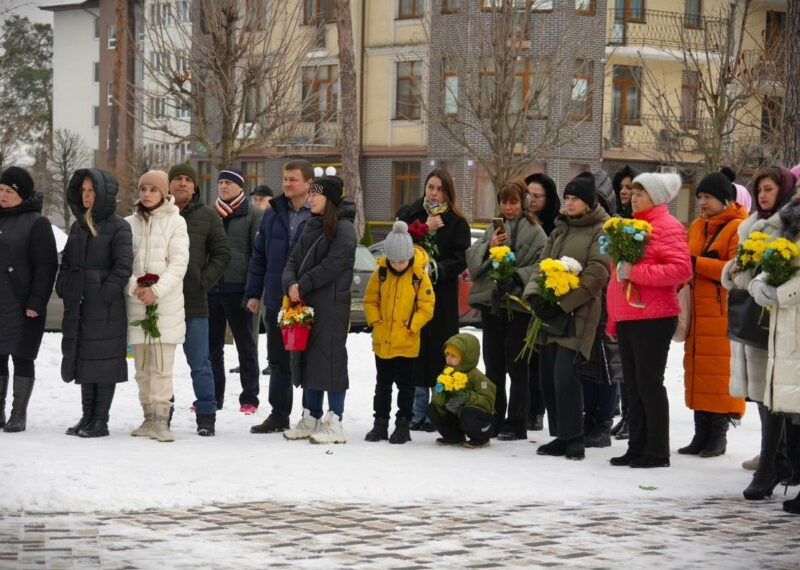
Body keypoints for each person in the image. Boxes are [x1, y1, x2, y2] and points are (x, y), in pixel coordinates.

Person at [607, 171, 692, 468]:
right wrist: (613, 320)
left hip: (654, 316)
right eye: (632, 191)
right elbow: (617, 279)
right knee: (632, 387)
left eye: (639, 193)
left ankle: (657, 450)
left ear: (654, 198)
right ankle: (637, 445)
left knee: (649, 384)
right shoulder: (632, 227)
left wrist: (637, 273)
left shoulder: (667, 226)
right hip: (630, 316)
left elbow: (681, 270)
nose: (632, 197)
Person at [721, 166, 797, 499]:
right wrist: (733, 270)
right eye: (760, 189)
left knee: (775, 400)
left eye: (769, 189)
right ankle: (775, 459)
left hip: (777, 324)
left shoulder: (789, 225)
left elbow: (783, 268)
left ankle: (771, 466)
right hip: (752, 318)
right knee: (762, 398)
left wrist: (769, 284)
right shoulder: (752, 224)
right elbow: (744, 269)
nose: (763, 195)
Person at [524, 173, 610, 460]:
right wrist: (535, 296)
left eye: (575, 199)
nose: (569, 203)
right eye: (568, 198)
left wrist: (563, 305)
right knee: (548, 375)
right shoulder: (560, 228)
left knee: (566, 375)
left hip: (579, 314)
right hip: (551, 312)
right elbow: (541, 264)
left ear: (589, 202)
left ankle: (574, 437)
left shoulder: (601, 230)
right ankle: (561, 434)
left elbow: (596, 274)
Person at [465, 177, 547, 440]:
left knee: (518, 366)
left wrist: (518, 275)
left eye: (513, 202)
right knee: (493, 365)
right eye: (504, 201)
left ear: (523, 203)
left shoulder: (536, 232)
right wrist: (490, 250)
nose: (508, 207)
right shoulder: (492, 229)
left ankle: (517, 421)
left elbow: (542, 265)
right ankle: (495, 416)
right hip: (493, 305)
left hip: (519, 307)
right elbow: (475, 264)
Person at [280, 176, 357, 444]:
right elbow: (292, 258)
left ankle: (335, 419)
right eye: (310, 193)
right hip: (307, 304)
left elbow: (333, 265)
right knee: (309, 359)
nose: (310, 198)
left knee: (332, 359)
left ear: (330, 199)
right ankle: (311, 415)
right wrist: (290, 282)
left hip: (332, 307)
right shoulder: (311, 225)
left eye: (316, 194)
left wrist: (303, 283)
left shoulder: (344, 229)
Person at [58, 168, 133, 438]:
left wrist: (103, 294)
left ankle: (100, 420)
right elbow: (67, 262)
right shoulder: (78, 226)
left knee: (103, 363)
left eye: (92, 190)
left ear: (103, 194)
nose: (86, 195)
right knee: (84, 360)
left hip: (106, 309)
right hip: (80, 306)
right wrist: (64, 286)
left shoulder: (119, 227)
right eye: (83, 190)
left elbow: (122, 267)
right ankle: (87, 417)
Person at [396, 168, 470, 433]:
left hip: (442, 296)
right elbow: (399, 243)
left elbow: (462, 256)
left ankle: (437, 410)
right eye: (430, 187)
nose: (434, 192)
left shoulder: (457, 221)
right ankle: (416, 411)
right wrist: (426, 226)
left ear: (447, 191)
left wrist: (438, 268)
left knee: (440, 351)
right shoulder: (411, 213)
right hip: (412, 295)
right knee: (416, 350)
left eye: (439, 188)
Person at [679, 172, 747, 458]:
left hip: (721, 312)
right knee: (696, 369)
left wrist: (698, 264)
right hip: (697, 309)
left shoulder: (738, 227)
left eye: (707, 197)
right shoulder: (696, 226)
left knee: (719, 374)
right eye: (700, 198)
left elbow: (734, 270)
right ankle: (700, 432)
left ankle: (718, 434)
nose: (702, 202)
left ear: (724, 199)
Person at [247, 160, 313, 434]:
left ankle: (311, 414)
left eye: (293, 180)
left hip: (308, 299)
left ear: (308, 183)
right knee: (277, 359)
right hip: (275, 298)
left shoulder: (319, 212)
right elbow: (259, 255)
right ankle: (278, 414)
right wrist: (253, 292)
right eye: (285, 179)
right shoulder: (273, 213)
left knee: (310, 361)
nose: (286, 184)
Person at [126, 170, 190, 443]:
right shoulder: (128, 223)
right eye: (143, 189)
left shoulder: (176, 223)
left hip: (165, 306)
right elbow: (121, 262)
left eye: (153, 189)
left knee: (161, 366)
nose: (147, 194)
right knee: (142, 369)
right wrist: (135, 287)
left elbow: (178, 264)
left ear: (164, 193)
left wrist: (156, 291)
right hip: (137, 304)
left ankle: (162, 419)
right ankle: (148, 417)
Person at [168, 163, 231, 436]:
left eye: (187, 180)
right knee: (161, 364)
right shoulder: (158, 214)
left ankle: (206, 415)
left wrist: (202, 282)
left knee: (200, 363)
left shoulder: (208, 216)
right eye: (177, 179)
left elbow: (222, 254)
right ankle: (161, 412)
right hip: (161, 302)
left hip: (194, 302)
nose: (182, 184)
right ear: (169, 185)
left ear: (194, 187)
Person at [363, 221, 435, 444]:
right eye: (393, 260)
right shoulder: (381, 273)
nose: (397, 265)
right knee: (382, 385)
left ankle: (403, 424)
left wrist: (411, 326)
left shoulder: (419, 277)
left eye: (402, 261)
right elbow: (370, 299)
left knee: (406, 387)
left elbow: (427, 306)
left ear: (410, 257)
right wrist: (376, 321)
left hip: (407, 342)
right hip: (383, 340)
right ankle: (380, 423)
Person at [751, 193, 800, 514]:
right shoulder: (787, 225)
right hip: (784, 330)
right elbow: (772, 263)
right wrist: (760, 285)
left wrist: (782, 292)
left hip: (792, 317)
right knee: (792, 410)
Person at [0, 167, 58, 432]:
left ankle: (18, 414)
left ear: (21, 195)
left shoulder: (37, 223)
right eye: (0, 189)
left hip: (24, 305)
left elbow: (46, 267)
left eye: (8, 191)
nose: (2, 194)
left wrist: (36, 304)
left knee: (23, 357)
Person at [208, 167, 263, 414]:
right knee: (211, 348)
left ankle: (249, 397)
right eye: (221, 182)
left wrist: (253, 291)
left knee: (246, 345)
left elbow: (257, 254)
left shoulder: (253, 214)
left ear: (241, 186)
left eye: (229, 182)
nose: (224, 186)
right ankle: (213, 396)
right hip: (211, 288)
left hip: (239, 289)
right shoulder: (211, 214)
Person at [578, 170, 624, 448]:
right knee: (585, 364)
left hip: (609, 302)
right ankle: (588, 417)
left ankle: (604, 420)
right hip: (585, 301)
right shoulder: (578, 226)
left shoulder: (616, 228)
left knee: (608, 366)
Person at [524, 172, 560, 431]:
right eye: (529, 195)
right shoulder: (517, 222)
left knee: (538, 359)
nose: (532, 200)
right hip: (518, 296)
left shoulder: (554, 227)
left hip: (542, 298)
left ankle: (537, 410)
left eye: (538, 196)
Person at [427, 333, 496, 448]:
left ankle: (481, 438)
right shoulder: (447, 372)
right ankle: (454, 436)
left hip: (476, 417)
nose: (448, 359)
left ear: (466, 356)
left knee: (468, 414)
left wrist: (467, 397)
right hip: (456, 413)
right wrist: (441, 396)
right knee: (433, 408)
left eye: (453, 356)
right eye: (447, 355)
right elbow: (438, 393)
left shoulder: (477, 377)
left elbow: (488, 401)